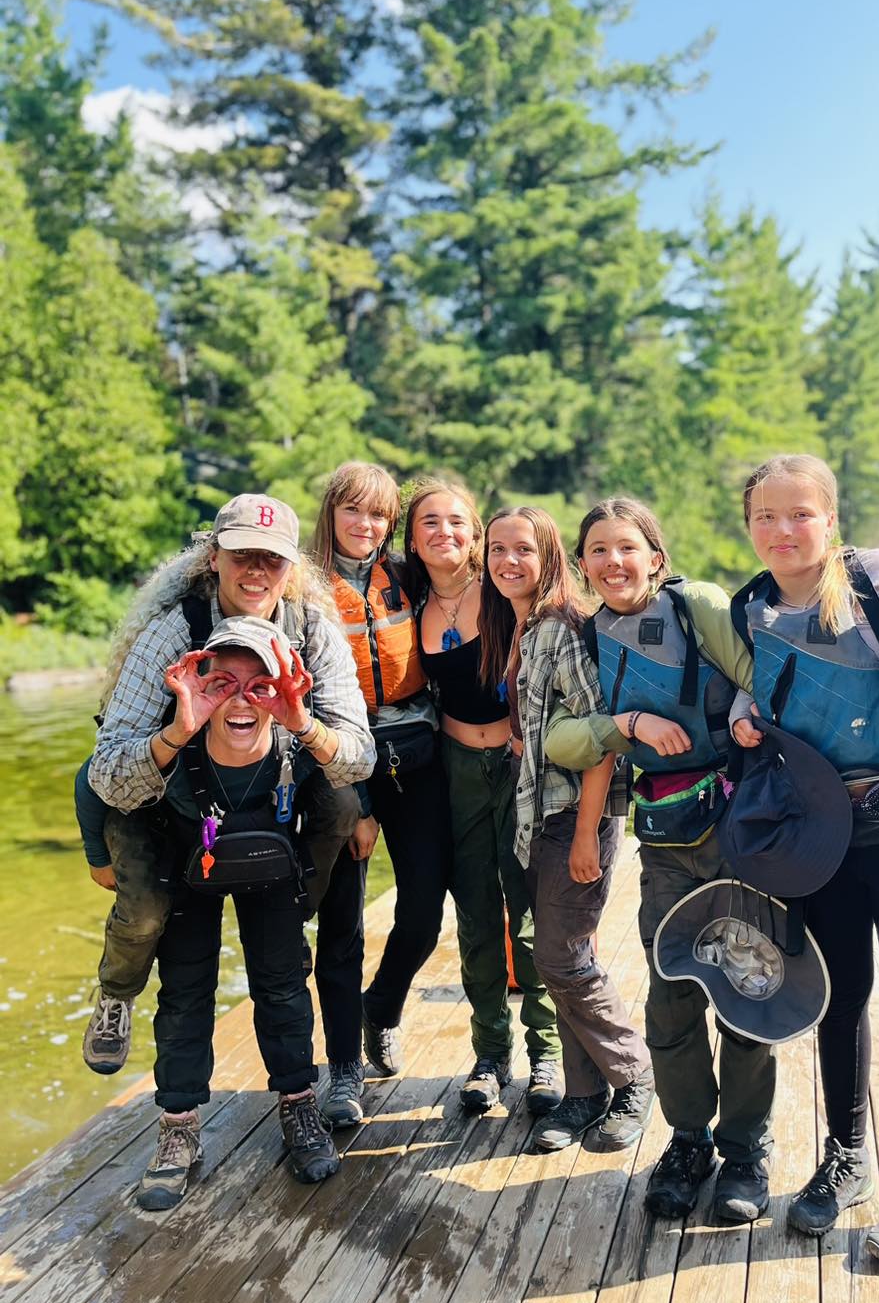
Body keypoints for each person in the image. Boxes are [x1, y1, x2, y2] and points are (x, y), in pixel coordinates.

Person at [730, 456, 879, 1266]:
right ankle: (849, 1154)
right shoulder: (751, 608)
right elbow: (759, 687)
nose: (783, 531)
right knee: (839, 1000)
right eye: (766, 516)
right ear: (748, 525)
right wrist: (743, 710)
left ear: (831, 519)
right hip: (818, 835)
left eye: (800, 514)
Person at [84, 494, 375, 1077]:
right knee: (144, 917)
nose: (256, 571)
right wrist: (175, 731)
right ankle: (117, 991)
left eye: (271, 559)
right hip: (164, 799)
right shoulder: (171, 633)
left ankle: (291, 920)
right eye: (242, 554)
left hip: (269, 788)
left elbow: (358, 758)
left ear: (291, 568)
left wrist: (303, 724)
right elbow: (108, 776)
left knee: (343, 803)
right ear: (212, 557)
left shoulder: (313, 629)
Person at [547, 497, 775, 1222]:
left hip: (736, 824)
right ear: (583, 564)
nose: (614, 563)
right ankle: (687, 1141)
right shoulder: (587, 636)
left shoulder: (697, 606)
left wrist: (742, 713)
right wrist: (625, 724)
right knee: (672, 989)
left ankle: (744, 1151)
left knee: (744, 985)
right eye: (599, 551)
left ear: (656, 556)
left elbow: (761, 675)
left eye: (627, 548)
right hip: (666, 831)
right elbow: (561, 740)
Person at [83, 617, 344, 1210]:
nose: (242, 699)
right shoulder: (170, 740)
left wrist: (301, 718)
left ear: (282, 692)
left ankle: (299, 1108)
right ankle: (178, 1127)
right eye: (223, 683)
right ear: (197, 685)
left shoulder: (296, 746)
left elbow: (349, 787)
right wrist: (179, 727)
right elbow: (91, 782)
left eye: (261, 685)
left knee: (281, 985)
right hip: (188, 870)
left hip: (271, 870)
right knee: (184, 991)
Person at [479, 505, 653, 1151]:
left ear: (550, 553)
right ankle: (584, 1096)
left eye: (522, 549)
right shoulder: (523, 624)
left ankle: (632, 1073)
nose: (507, 561)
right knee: (556, 959)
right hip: (538, 815)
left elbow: (603, 733)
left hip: (574, 818)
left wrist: (586, 833)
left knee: (561, 956)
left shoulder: (559, 625)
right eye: (496, 549)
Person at [403, 480, 562, 1117]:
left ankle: (546, 1053)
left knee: (528, 910)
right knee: (474, 912)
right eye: (429, 522)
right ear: (412, 539)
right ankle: (490, 1054)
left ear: (476, 536)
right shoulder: (405, 599)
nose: (445, 532)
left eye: (458, 522)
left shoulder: (500, 590)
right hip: (453, 768)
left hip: (516, 762)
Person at [308, 462, 453, 1110]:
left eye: (378, 515)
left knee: (423, 908)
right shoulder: (305, 589)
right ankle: (342, 1069)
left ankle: (383, 1006)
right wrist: (357, 802)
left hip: (414, 755)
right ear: (331, 512)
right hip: (338, 762)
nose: (365, 525)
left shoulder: (406, 575)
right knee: (342, 921)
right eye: (353, 511)